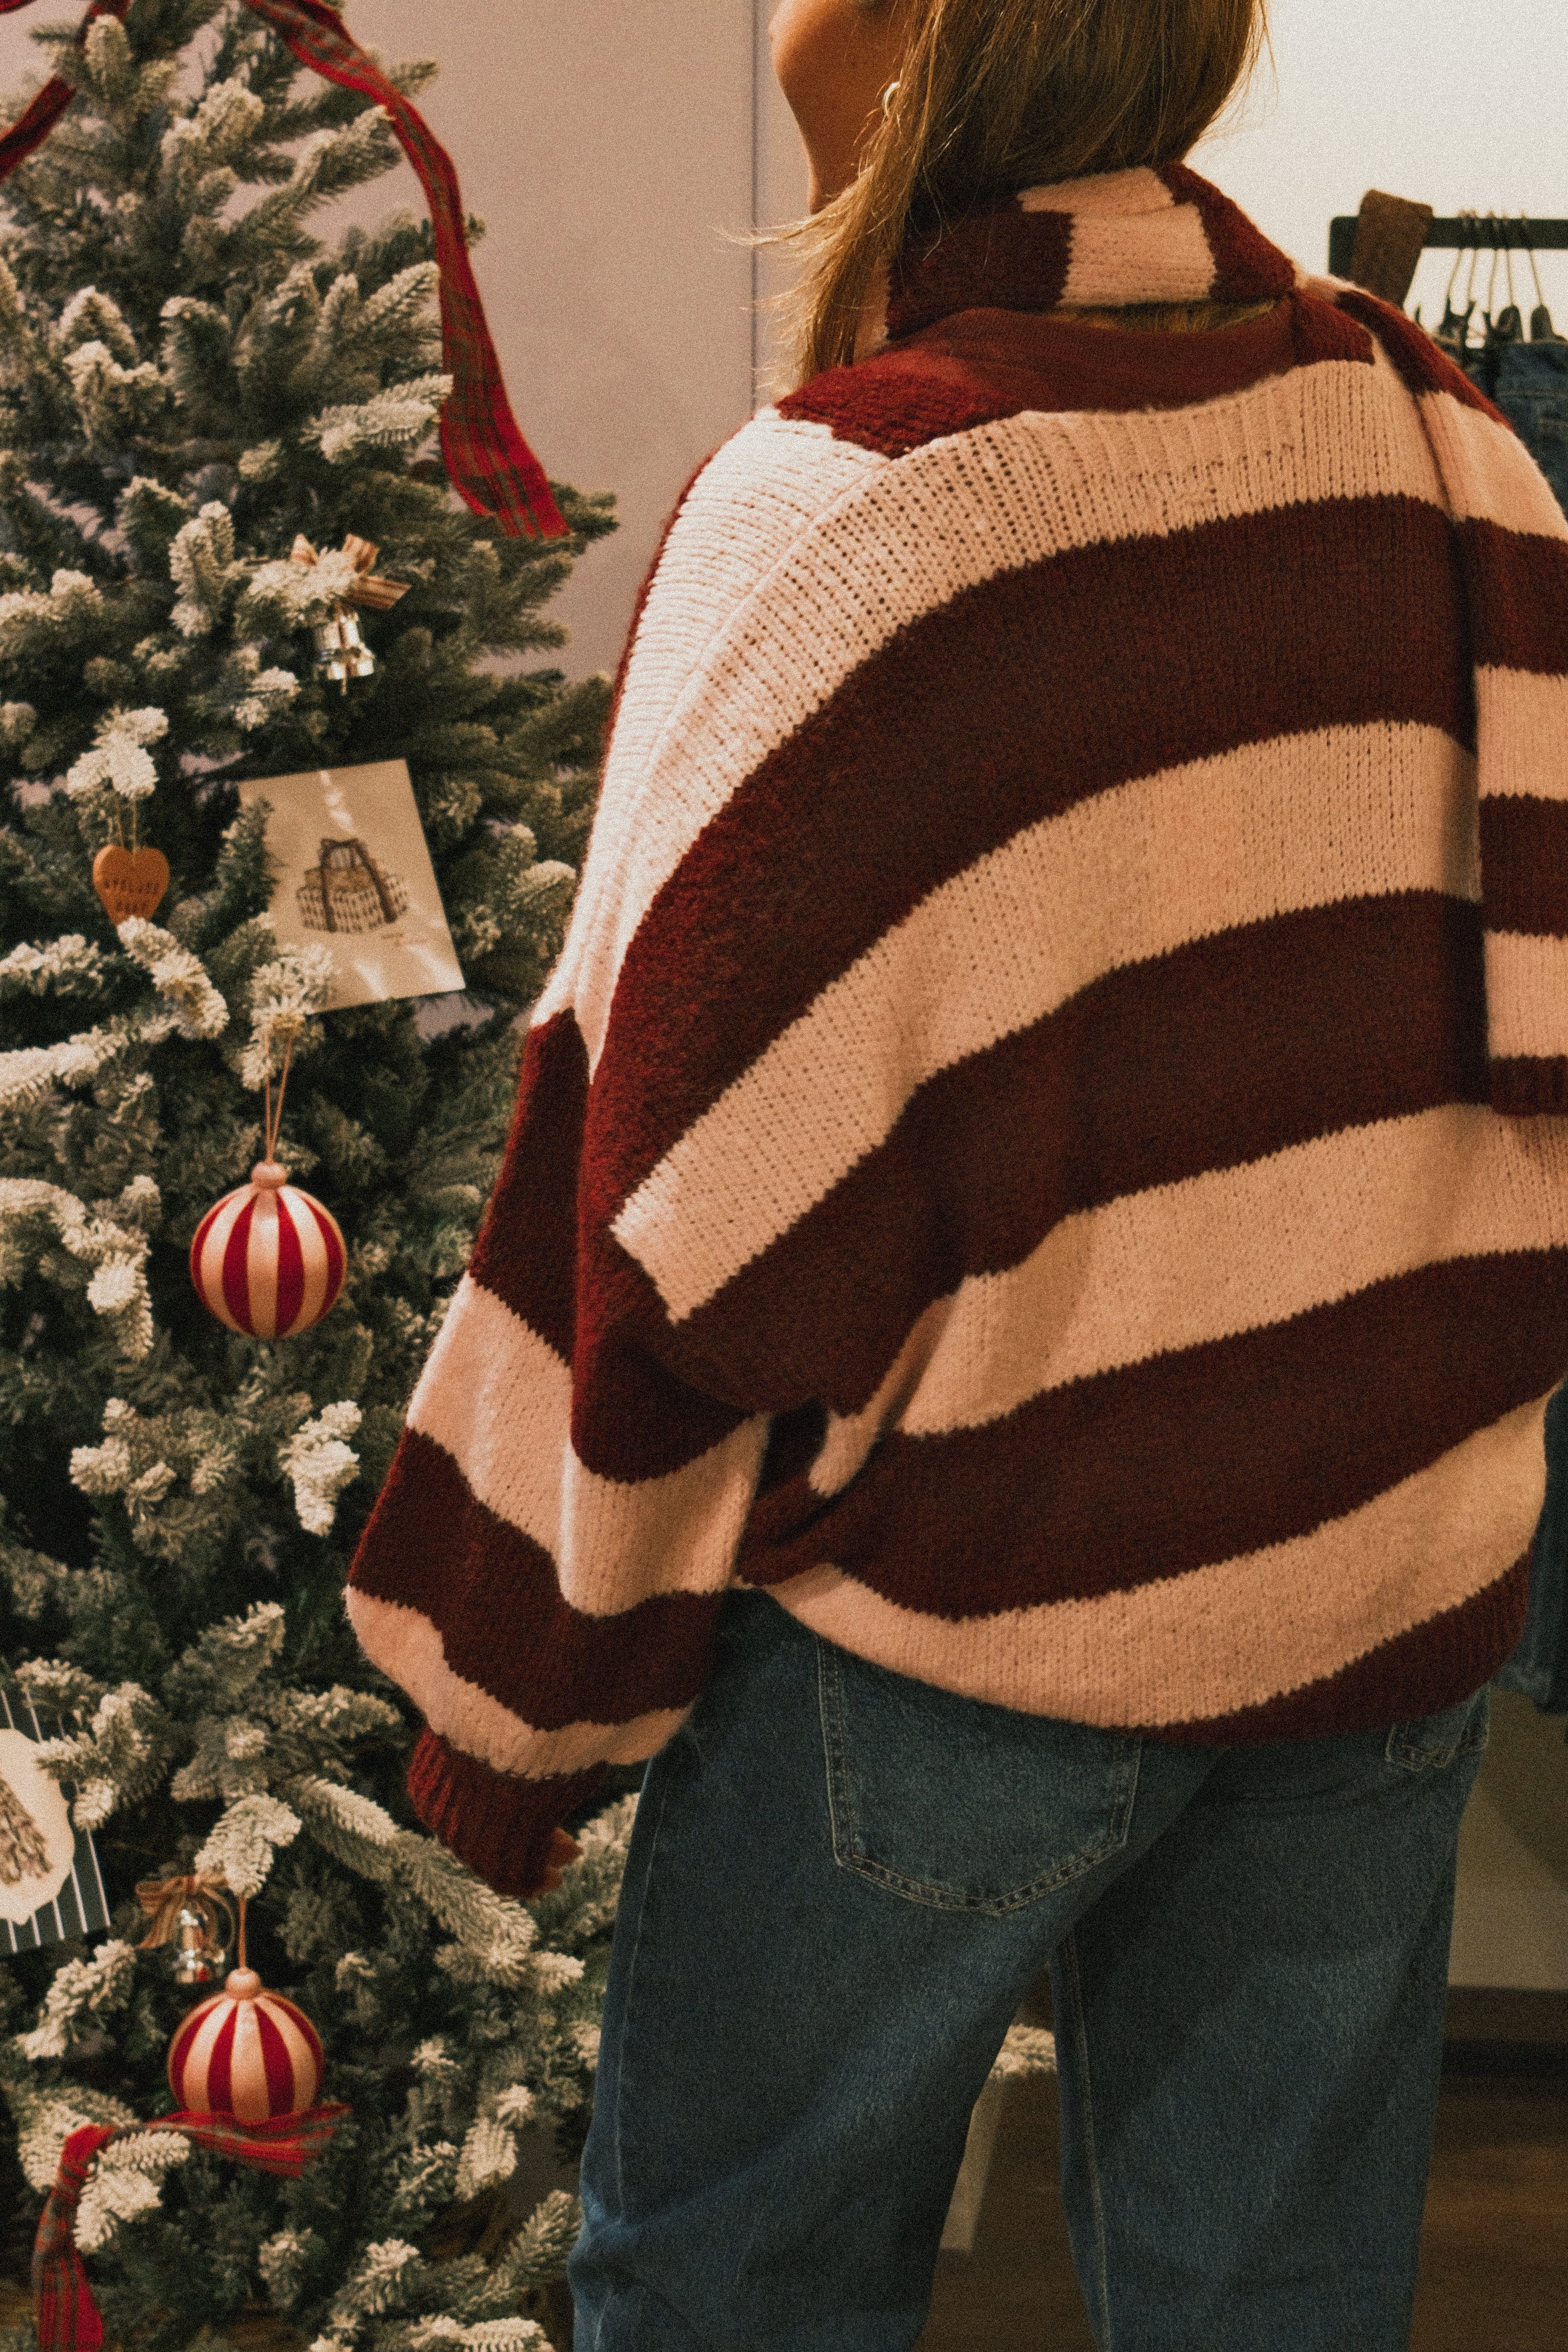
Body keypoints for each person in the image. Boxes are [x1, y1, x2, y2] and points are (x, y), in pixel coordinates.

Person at [346, 2, 1568, 2344]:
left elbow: (646, 1240)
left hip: (946, 1658)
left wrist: (516, 1703)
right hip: (1371, 1609)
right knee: (1278, 2312)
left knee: (732, 2299)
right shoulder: (1460, 464)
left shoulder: (841, 517)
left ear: (915, 36)